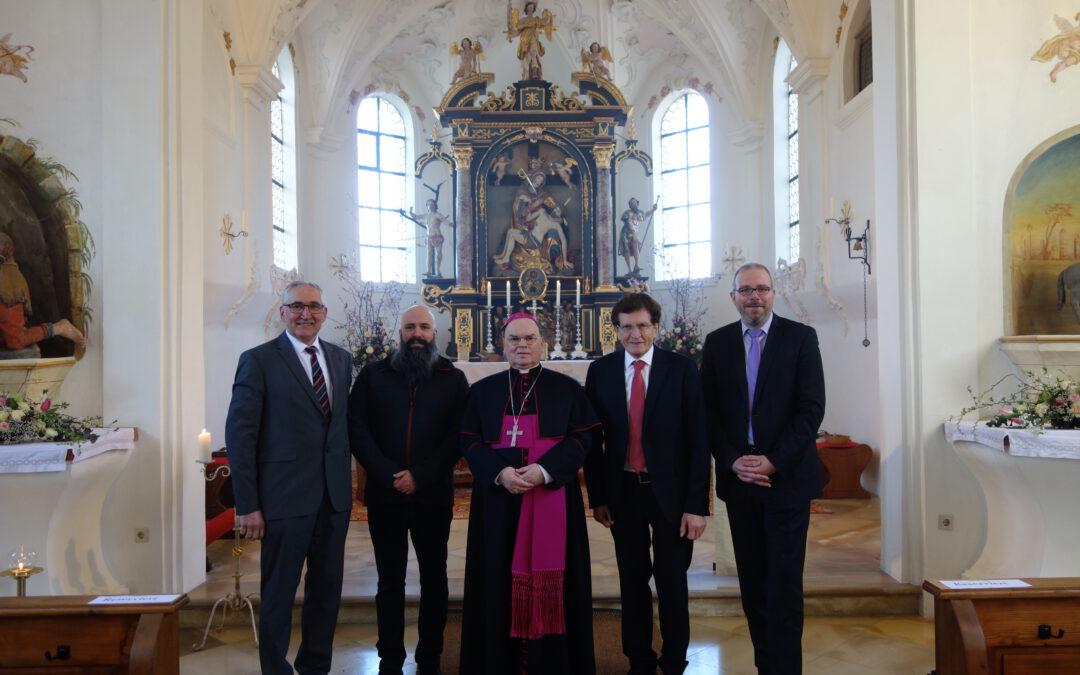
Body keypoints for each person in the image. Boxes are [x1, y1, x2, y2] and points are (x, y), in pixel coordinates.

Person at [699, 263, 826, 675]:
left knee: (784, 585)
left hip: (785, 480)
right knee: (753, 584)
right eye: (746, 290)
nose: (754, 296)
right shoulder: (716, 344)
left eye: (762, 289)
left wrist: (774, 460)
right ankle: (764, 666)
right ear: (733, 296)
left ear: (774, 294)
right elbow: (709, 412)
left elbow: (811, 410)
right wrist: (732, 458)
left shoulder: (801, 338)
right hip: (740, 481)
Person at [225, 281, 354, 675]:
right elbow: (240, 435)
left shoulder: (341, 358)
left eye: (314, 306)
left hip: (333, 498)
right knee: (279, 593)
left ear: (325, 313)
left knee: (326, 593)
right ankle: (275, 669)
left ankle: (315, 666)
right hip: (283, 499)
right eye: (297, 306)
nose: (306, 314)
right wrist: (247, 505)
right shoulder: (259, 360)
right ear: (282, 312)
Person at [459, 313, 599, 673]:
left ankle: (554, 662)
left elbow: (585, 437)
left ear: (543, 343)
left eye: (529, 339)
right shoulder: (482, 391)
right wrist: (499, 472)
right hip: (498, 504)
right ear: (503, 345)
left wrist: (544, 470)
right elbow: (469, 439)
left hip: (551, 498)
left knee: (558, 581)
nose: (522, 345)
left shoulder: (567, 389)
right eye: (514, 339)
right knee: (496, 579)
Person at [583, 292, 710, 674]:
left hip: (671, 495)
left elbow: (698, 440)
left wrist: (697, 505)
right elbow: (592, 441)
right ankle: (638, 658)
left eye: (642, 325)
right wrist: (598, 496)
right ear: (616, 330)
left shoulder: (682, 369)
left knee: (673, 581)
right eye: (626, 326)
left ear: (656, 327)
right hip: (624, 491)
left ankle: (674, 660)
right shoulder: (601, 371)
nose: (634, 334)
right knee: (632, 579)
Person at [348, 305, 469, 675]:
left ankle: (430, 656)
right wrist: (388, 474)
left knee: (435, 578)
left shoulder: (452, 377)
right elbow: (357, 429)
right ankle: (390, 657)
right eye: (410, 327)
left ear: (435, 333)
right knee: (390, 580)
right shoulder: (373, 375)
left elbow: (459, 436)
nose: (417, 334)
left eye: (424, 328)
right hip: (386, 496)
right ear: (399, 332)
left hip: (432, 494)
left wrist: (421, 475)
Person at [0, 232, 85, 357]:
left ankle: (59, 328)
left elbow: (16, 340)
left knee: (26, 353)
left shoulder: (7, 281)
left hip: (14, 341)